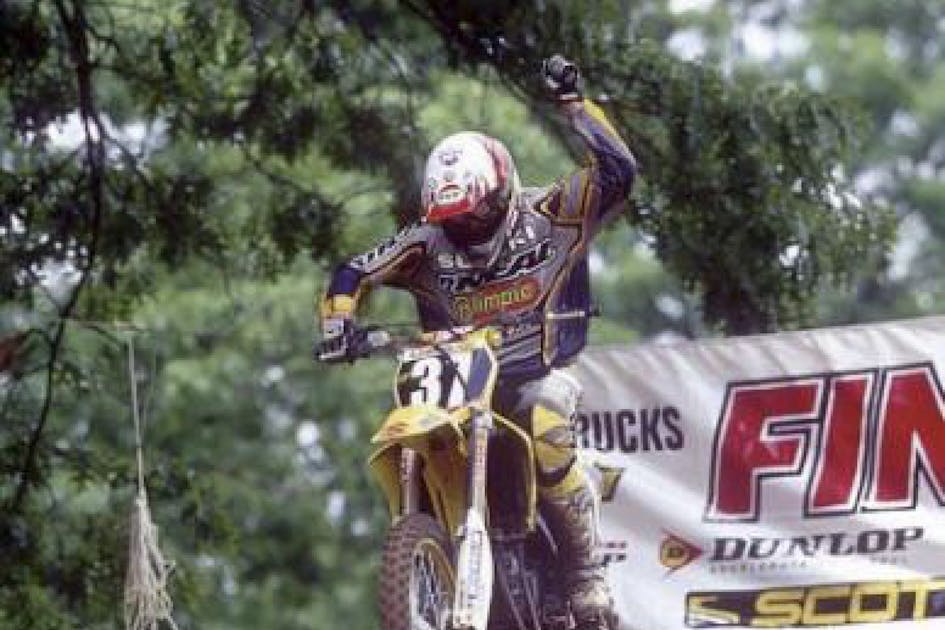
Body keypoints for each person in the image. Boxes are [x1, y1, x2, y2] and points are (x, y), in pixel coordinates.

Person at [317, 54, 636, 630]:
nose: (468, 225)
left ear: (503, 186)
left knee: (544, 420)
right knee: (408, 434)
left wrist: (575, 106)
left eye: (479, 210)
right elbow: (353, 271)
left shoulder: (551, 213)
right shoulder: (425, 240)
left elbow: (618, 175)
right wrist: (339, 322)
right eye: (456, 218)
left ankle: (586, 573)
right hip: (455, 383)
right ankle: (428, 549)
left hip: (535, 371)